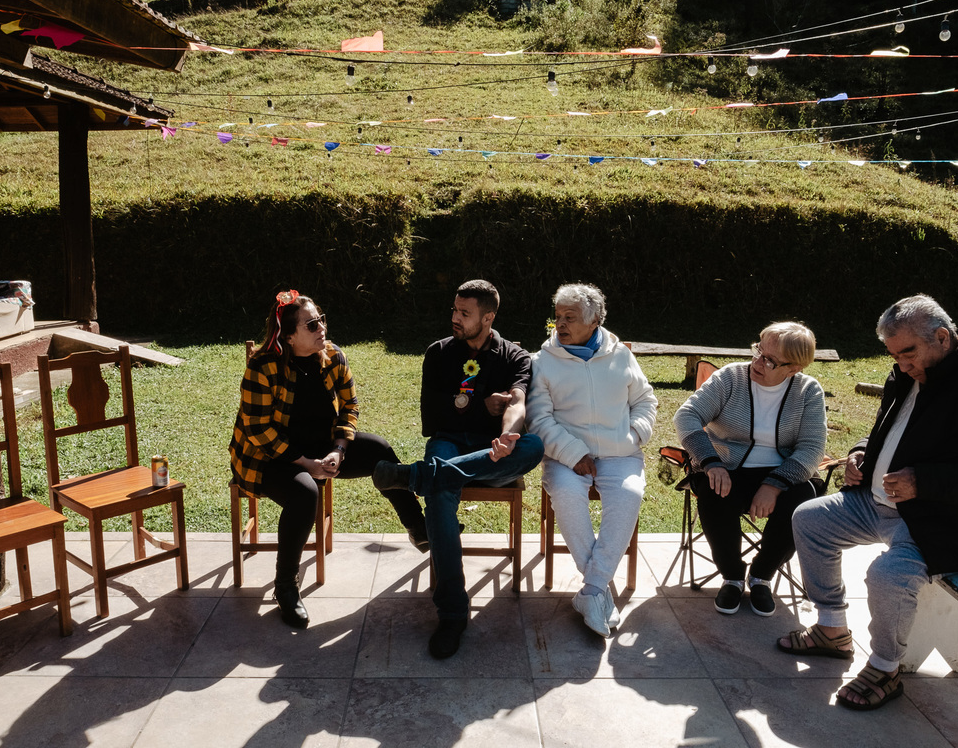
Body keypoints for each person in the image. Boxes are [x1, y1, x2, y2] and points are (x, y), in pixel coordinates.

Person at [778, 294, 958, 711]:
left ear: (941, 337)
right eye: (894, 355)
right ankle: (831, 630)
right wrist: (863, 452)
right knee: (810, 520)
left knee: (887, 575)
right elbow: (890, 427)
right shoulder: (910, 369)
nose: (900, 364)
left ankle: (885, 668)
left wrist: (925, 482)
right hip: (883, 502)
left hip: (952, 520)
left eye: (907, 353)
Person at [372, 279, 544, 659]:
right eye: (454, 310)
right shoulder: (438, 353)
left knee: (533, 446)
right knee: (440, 493)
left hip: (495, 451)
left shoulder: (515, 356)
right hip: (449, 442)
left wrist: (507, 435)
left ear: (488, 317)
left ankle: (412, 476)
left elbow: (518, 400)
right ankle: (452, 614)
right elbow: (432, 415)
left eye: (464, 313)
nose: (455, 318)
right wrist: (481, 406)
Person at [230, 290, 407, 629]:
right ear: (289, 335)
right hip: (267, 458)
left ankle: (419, 527)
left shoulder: (333, 356)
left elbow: (350, 407)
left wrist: (338, 450)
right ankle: (286, 587)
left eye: (321, 319)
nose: (321, 328)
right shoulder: (263, 366)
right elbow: (257, 431)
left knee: (379, 450)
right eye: (312, 325)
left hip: (321, 448)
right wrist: (306, 464)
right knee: (305, 493)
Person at [526, 283, 658, 637]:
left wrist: (635, 435)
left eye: (570, 317)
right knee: (567, 496)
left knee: (629, 495)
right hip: (565, 456)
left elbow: (646, 401)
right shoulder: (543, 362)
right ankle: (597, 590)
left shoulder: (621, 355)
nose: (561, 324)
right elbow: (538, 419)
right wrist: (573, 453)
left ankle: (591, 591)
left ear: (595, 319)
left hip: (620, 453)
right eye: (557, 317)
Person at [673, 322, 828, 617]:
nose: (757, 362)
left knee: (802, 505)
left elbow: (811, 448)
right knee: (714, 491)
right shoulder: (731, 378)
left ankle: (761, 576)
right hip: (726, 465)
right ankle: (732, 576)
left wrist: (774, 484)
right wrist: (710, 462)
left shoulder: (808, 392)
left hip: (783, 472)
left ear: (793, 368)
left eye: (769, 360)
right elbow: (687, 416)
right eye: (758, 350)